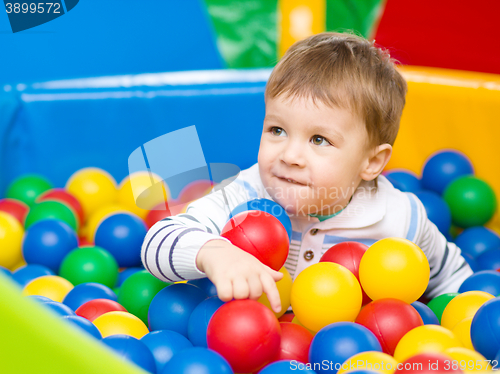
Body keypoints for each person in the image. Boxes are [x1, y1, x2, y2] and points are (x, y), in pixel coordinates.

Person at [141, 32, 472, 313]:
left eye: (319, 139)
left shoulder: (399, 218)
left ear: (370, 163)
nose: (290, 155)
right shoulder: (243, 195)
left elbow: (453, 278)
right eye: (277, 130)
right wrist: (213, 253)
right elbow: (156, 243)